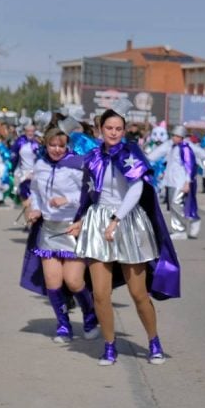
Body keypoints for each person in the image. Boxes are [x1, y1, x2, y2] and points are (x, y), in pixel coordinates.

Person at [70, 110, 181, 366]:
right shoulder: (93, 157)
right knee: (99, 293)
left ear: (123, 130)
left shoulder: (131, 152)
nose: (113, 132)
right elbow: (88, 194)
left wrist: (117, 219)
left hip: (128, 221)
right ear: (100, 129)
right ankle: (109, 345)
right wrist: (81, 219)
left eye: (118, 128)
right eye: (109, 128)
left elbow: (137, 187)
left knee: (138, 293)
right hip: (99, 221)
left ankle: (154, 341)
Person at [19, 128, 98, 342]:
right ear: (45, 144)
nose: (56, 149)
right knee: (53, 283)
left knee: (73, 282)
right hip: (48, 230)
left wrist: (67, 199)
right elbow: (35, 191)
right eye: (52, 145)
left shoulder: (75, 165)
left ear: (67, 146)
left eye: (61, 146)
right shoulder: (41, 165)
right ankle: (63, 325)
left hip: (72, 228)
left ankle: (90, 315)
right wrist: (35, 209)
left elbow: (89, 192)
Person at [146, 125, 205, 241]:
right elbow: (157, 156)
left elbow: (189, 166)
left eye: (177, 136)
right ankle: (181, 226)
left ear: (182, 137)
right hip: (171, 181)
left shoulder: (186, 148)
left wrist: (187, 182)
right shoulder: (171, 145)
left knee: (176, 203)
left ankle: (181, 229)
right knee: (173, 205)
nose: (174, 138)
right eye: (173, 135)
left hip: (181, 182)